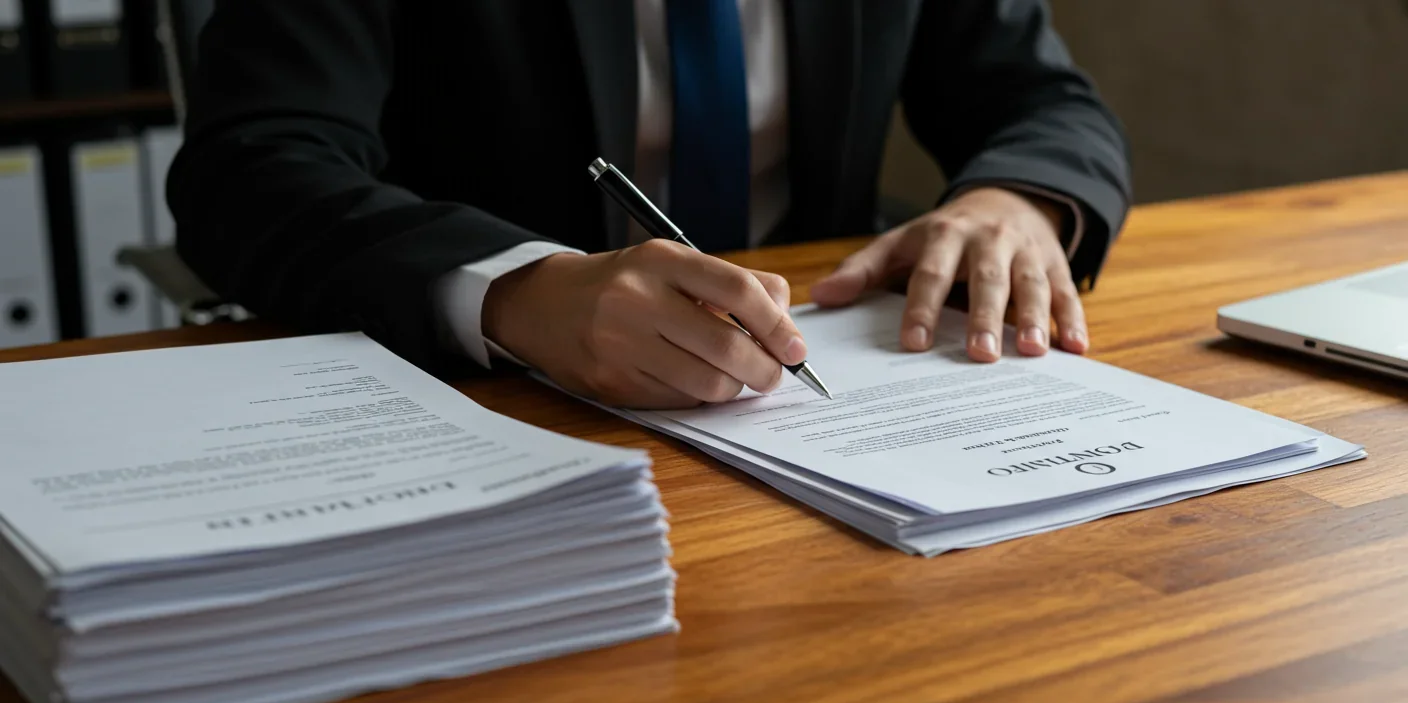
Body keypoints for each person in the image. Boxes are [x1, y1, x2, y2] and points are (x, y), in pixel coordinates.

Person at [169, 0, 1131, 409]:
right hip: (497, 407)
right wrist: (512, 289)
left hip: (803, 382)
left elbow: (1045, 99)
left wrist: (1017, 200)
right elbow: (252, 165)